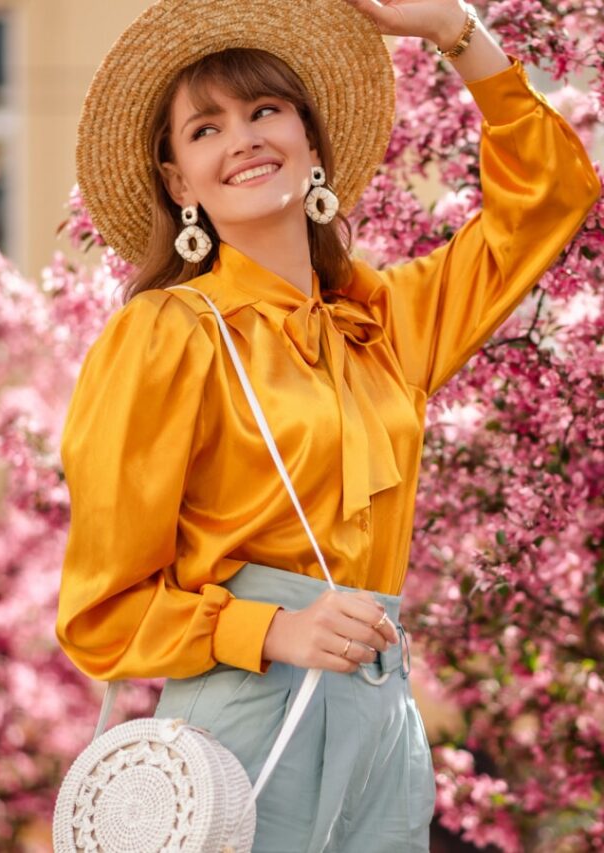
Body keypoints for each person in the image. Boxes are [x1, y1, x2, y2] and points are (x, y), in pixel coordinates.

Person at [55, 0, 600, 850]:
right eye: (206, 129)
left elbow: (549, 200)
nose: (243, 139)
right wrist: (272, 628)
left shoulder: (383, 322)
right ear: (178, 183)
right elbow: (102, 611)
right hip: (242, 717)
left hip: (382, 721)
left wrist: (457, 29)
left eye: (265, 110)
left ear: (311, 141)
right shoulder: (168, 334)